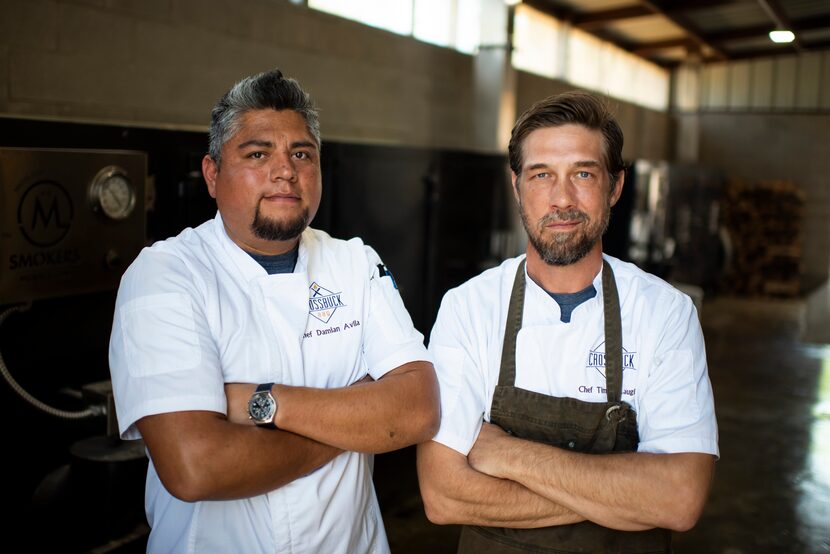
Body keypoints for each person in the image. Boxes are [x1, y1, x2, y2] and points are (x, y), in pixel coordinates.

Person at [109, 69, 440, 554]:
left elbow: (418, 408)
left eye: (301, 154)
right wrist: (355, 424)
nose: (285, 170)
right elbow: (196, 467)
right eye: (257, 153)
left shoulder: (355, 261)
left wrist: (258, 402)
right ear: (212, 174)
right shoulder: (165, 275)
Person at [417, 91, 718, 552]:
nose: (562, 199)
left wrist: (506, 453)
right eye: (542, 175)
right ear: (516, 185)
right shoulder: (469, 308)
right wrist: (626, 494)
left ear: (615, 186)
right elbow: (442, 495)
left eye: (583, 173)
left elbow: (680, 499)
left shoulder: (665, 314)